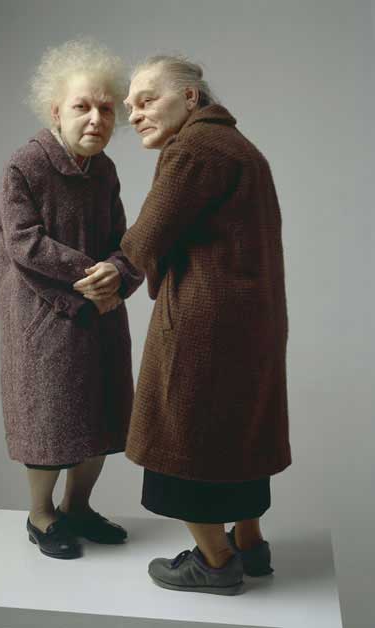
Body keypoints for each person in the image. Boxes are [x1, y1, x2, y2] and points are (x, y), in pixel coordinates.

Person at [121, 55, 292, 594]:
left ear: (190, 98)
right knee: (237, 431)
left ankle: (215, 564)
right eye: (130, 105)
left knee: (183, 434)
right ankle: (248, 543)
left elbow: (149, 233)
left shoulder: (193, 147)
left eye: (147, 99)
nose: (134, 114)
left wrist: (115, 269)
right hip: (253, 322)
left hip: (205, 323)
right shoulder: (243, 149)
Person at [0, 39, 144, 560]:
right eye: (83, 106)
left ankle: (78, 507)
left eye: (107, 108)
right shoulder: (26, 165)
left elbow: (125, 241)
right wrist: (95, 275)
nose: (96, 118)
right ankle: (42, 516)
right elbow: (23, 243)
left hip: (101, 313)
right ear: (56, 110)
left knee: (100, 418)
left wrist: (121, 274)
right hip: (44, 320)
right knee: (50, 422)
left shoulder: (104, 171)